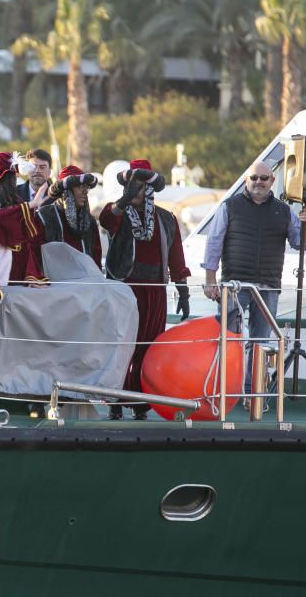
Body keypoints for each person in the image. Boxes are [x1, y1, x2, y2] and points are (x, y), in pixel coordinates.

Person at [201, 159, 306, 395]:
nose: (258, 182)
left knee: (260, 344)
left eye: (264, 178)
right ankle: (222, 390)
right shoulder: (229, 206)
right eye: (254, 178)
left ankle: (252, 394)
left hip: (268, 287)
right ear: (246, 180)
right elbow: (213, 244)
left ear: (272, 181)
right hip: (234, 285)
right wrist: (210, 280)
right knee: (228, 339)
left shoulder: (284, 211)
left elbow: (299, 243)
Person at [100, 159, 190, 420]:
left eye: (139, 187)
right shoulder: (117, 212)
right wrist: (123, 201)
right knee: (121, 345)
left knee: (149, 346)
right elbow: (107, 220)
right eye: (131, 186)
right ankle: (114, 400)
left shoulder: (166, 218)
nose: (135, 191)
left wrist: (182, 290)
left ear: (149, 189)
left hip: (154, 290)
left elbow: (176, 258)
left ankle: (141, 401)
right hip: (124, 288)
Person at [0, 151, 48, 286]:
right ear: (4, 177)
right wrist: (30, 205)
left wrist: (32, 275)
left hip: (16, 267)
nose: (15, 179)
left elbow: (26, 242)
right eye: (13, 176)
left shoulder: (15, 200)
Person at [38, 165, 103, 269]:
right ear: (66, 191)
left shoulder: (89, 221)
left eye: (86, 187)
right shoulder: (44, 216)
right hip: (55, 281)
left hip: (85, 281)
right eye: (79, 187)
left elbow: (95, 259)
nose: (85, 191)